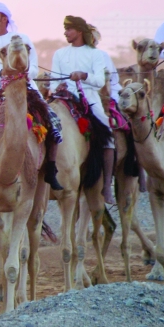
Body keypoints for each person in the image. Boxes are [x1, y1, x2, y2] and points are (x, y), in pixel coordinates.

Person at [0, 1, 63, 189]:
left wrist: (17, 73)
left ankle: (51, 169)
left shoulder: (22, 39)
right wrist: (3, 73)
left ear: (4, 18)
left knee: (53, 122)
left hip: (26, 91)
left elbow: (33, 71)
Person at [51, 16, 117, 203]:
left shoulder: (95, 54)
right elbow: (54, 80)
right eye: (65, 29)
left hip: (89, 98)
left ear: (79, 31)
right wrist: (57, 87)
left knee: (108, 134)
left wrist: (82, 75)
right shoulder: (59, 54)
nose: (65, 33)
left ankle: (106, 187)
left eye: (69, 29)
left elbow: (98, 81)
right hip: (63, 97)